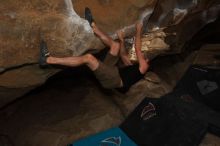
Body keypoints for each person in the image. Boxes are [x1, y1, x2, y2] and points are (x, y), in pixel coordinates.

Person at [39, 7, 149, 92]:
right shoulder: (134, 69)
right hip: (113, 70)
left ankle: (48, 59)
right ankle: (93, 26)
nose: (143, 56)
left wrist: (139, 30)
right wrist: (121, 40)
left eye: (145, 56)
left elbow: (138, 49)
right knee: (116, 46)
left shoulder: (144, 67)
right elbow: (124, 56)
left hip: (113, 80)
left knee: (89, 58)